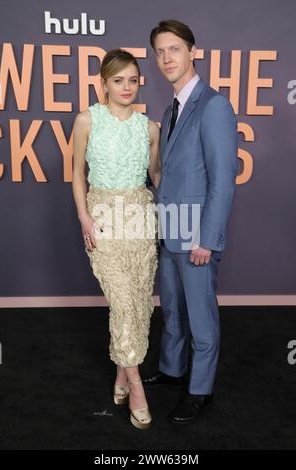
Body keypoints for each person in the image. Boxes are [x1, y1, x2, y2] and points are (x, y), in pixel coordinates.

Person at [143, 20, 239, 424]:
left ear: (192, 52)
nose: (167, 58)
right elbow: (167, 175)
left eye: (174, 50)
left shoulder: (214, 105)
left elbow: (222, 180)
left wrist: (208, 239)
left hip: (196, 237)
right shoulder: (170, 109)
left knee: (200, 317)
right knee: (171, 311)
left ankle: (200, 389)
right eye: (160, 52)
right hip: (170, 231)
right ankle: (172, 369)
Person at [72, 48, 161, 430]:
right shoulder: (86, 120)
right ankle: (137, 385)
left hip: (141, 220)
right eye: (118, 80)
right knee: (123, 302)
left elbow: (155, 177)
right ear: (103, 83)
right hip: (103, 219)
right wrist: (84, 218)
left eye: (133, 80)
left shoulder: (150, 127)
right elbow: (77, 174)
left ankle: (122, 374)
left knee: (140, 304)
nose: (126, 87)